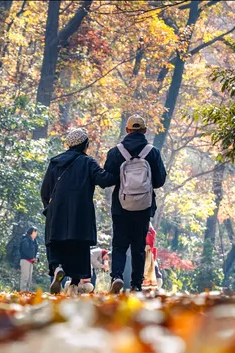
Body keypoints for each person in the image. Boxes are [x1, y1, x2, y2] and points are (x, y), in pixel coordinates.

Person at [41, 126, 115, 295]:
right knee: (79, 246)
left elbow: (45, 191)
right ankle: (74, 282)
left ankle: (57, 268)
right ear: (85, 145)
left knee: (55, 242)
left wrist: (48, 209)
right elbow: (105, 180)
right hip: (80, 214)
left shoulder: (55, 162)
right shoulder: (88, 162)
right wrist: (116, 165)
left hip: (57, 212)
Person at [103, 114, 167, 293]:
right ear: (145, 131)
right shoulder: (152, 152)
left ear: (127, 130)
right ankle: (137, 284)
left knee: (119, 245)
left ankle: (117, 277)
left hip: (120, 206)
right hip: (143, 207)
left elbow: (107, 178)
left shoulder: (116, 152)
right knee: (139, 246)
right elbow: (160, 181)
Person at [19, 227, 39, 292]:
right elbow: (25, 250)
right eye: (35, 232)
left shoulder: (35, 241)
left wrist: (36, 258)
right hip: (25, 261)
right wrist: (31, 257)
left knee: (29, 279)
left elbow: (36, 251)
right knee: (25, 277)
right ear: (31, 232)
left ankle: (27, 292)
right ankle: (22, 292)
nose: (36, 234)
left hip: (31, 262)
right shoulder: (25, 240)